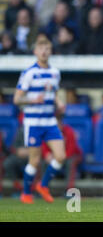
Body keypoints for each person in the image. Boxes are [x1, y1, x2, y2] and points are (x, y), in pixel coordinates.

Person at [13, 35, 66, 204]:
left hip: (50, 121)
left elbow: (54, 94)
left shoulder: (55, 73)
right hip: (33, 122)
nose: (44, 52)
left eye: (47, 49)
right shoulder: (29, 73)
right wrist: (32, 100)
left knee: (60, 156)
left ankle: (43, 185)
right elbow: (16, 99)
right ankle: (26, 193)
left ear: (50, 52)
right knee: (34, 160)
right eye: (41, 49)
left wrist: (59, 103)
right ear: (35, 52)